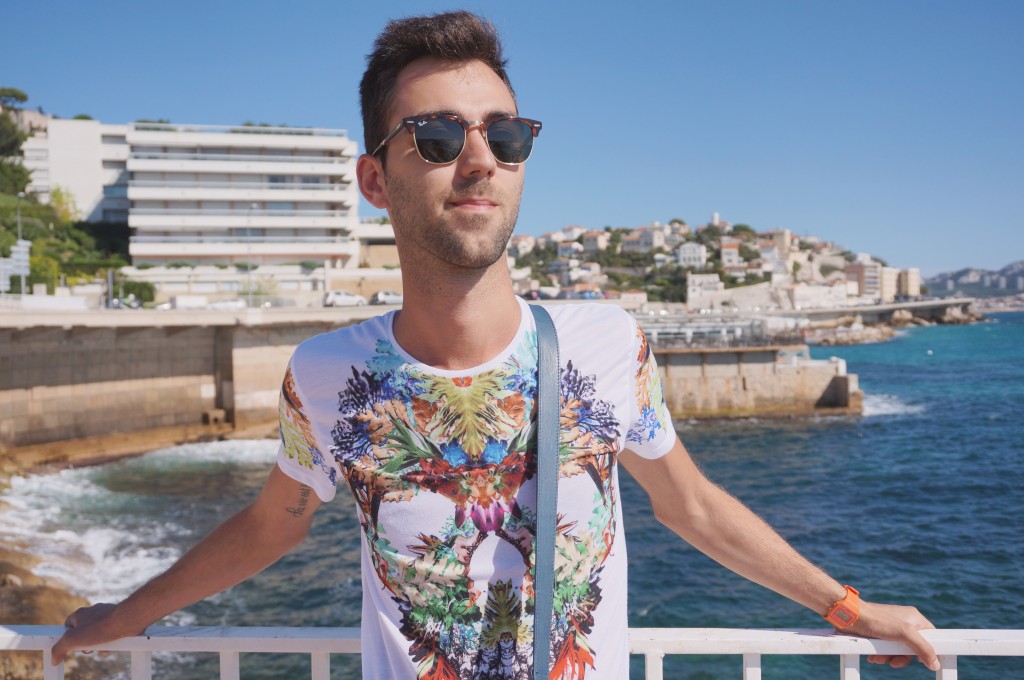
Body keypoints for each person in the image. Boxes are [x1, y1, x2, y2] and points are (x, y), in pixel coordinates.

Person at [52, 11, 940, 678]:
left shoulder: (607, 344)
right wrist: (126, 614)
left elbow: (692, 507)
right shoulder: (326, 376)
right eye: (438, 137)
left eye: (504, 136)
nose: (479, 159)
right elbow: (270, 526)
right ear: (374, 179)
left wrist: (850, 611)